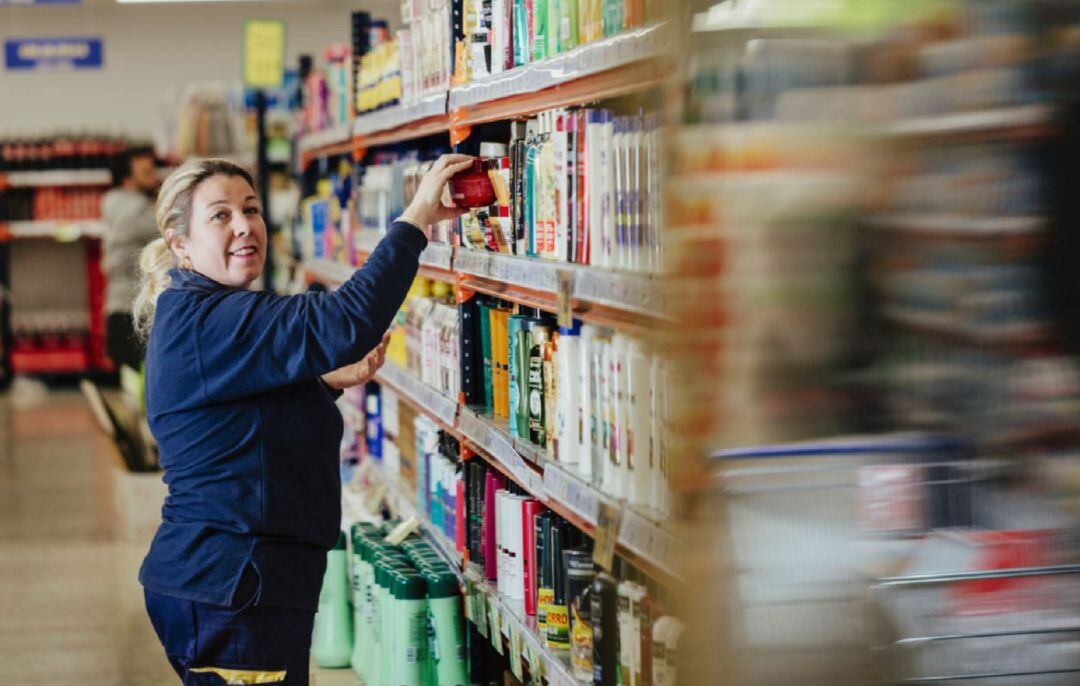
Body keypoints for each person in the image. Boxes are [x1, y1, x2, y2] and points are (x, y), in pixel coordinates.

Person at [134, 154, 473, 685]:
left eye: (251, 209)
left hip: (233, 582)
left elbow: (240, 422)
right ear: (180, 244)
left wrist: (320, 385)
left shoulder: (202, 310)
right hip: (234, 588)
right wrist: (414, 222)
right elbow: (345, 320)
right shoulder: (214, 318)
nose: (245, 225)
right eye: (220, 216)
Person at [101, 144, 160, 371]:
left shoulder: (114, 205)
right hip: (135, 311)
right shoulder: (135, 211)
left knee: (133, 391)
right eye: (146, 172)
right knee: (145, 389)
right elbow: (173, 231)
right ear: (127, 179)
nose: (154, 176)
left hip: (118, 307)